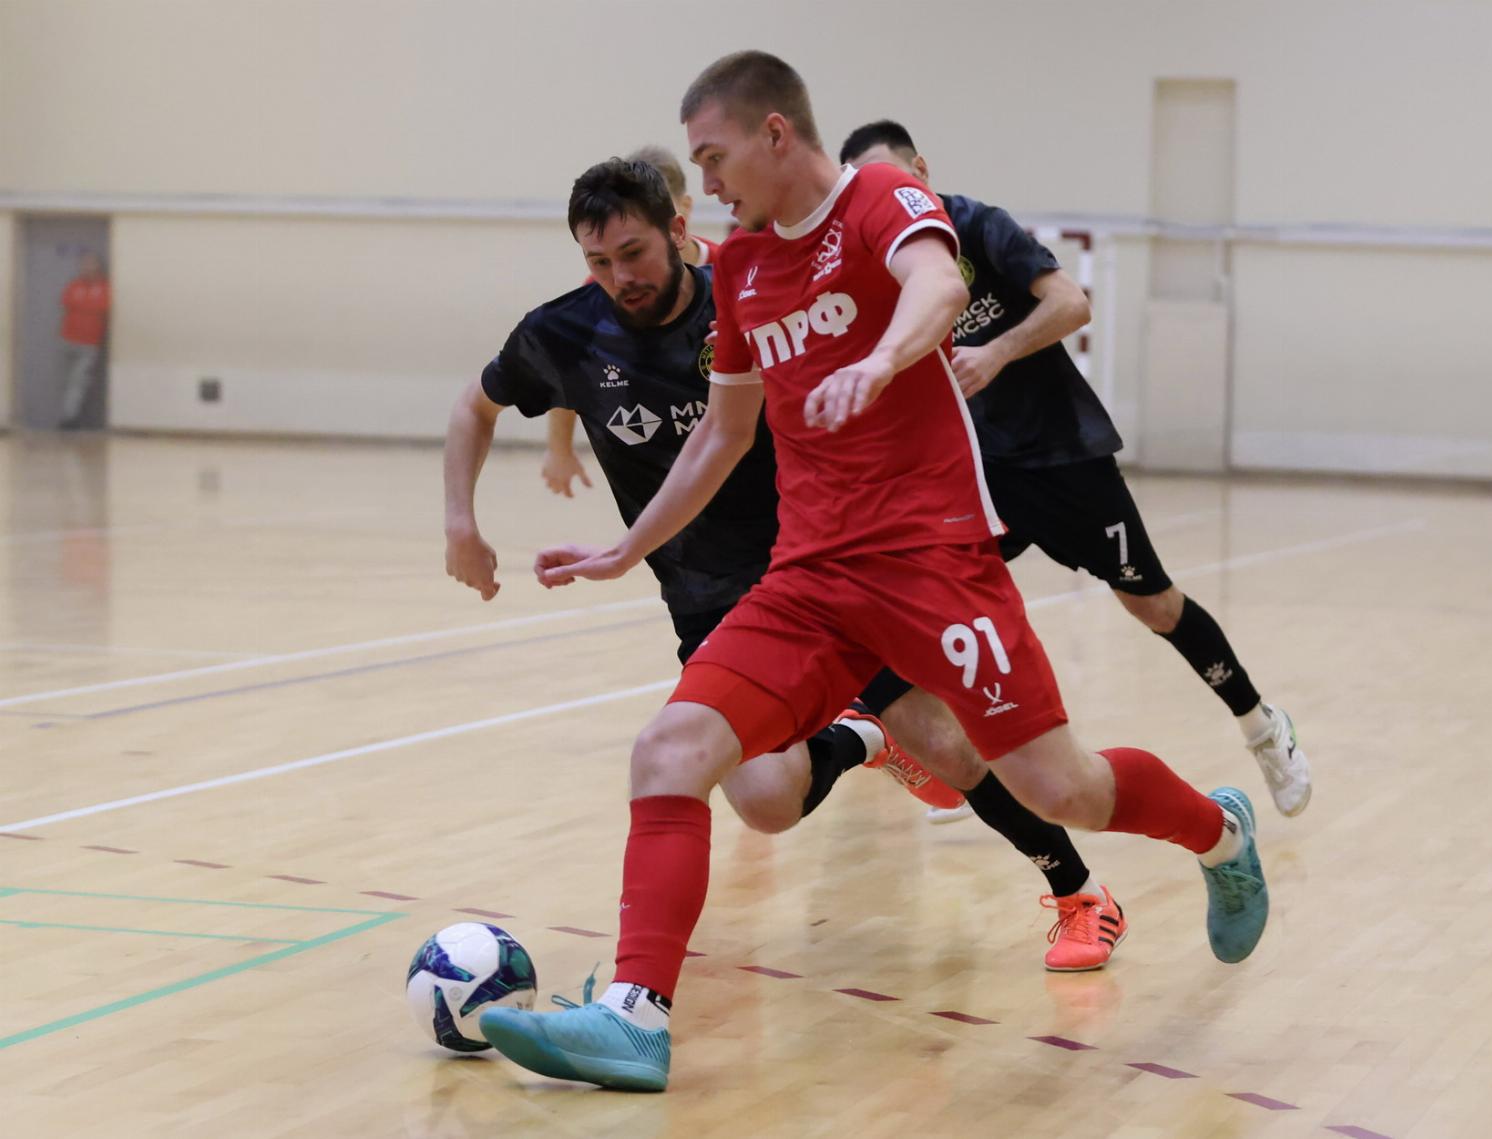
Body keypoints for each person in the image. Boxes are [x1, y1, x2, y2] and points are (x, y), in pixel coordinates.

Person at [479, 52, 1268, 1093]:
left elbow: (939, 284)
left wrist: (884, 357)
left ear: (774, 133)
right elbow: (722, 432)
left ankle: (1219, 831)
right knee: (670, 748)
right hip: (809, 578)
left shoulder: (878, 198)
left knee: (1061, 786)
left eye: (713, 157)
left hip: (935, 564)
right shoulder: (742, 269)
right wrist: (626, 548)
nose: (703, 183)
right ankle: (634, 1017)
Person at [444, 157, 1126, 976]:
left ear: (677, 230)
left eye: (633, 253)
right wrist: (461, 523)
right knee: (767, 803)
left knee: (951, 746)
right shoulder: (565, 331)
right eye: (598, 261)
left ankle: (1079, 891)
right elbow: (474, 406)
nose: (620, 277)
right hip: (708, 600)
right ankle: (863, 739)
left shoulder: (749, 299)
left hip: (826, 570)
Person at [838, 120, 1311, 822]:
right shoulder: (875, 263)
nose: (884, 198)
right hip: (977, 473)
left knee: (1152, 604)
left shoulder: (979, 226)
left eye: (893, 180)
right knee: (926, 604)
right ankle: (960, 760)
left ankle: (1261, 725)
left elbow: (1071, 303)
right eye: (866, 191)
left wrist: (996, 351)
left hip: (1061, 457)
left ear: (922, 172)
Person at [541, 145, 724, 498]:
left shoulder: (729, 268)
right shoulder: (603, 290)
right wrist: (559, 450)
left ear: (684, 210)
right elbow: (567, 367)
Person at [58, 251, 111, 429]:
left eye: (91, 263)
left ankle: (70, 419)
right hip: (68, 340)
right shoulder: (74, 285)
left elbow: (101, 307)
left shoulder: (104, 287)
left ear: (98, 266)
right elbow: (67, 303)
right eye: (84, 264)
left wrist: (85, 306)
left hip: (89, 343)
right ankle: (67, 415)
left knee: (79, 382)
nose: (87, 267)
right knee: (67, 381)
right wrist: (86, 306)